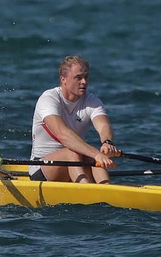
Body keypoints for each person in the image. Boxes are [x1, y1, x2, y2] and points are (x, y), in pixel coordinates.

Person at [30, 55, 121, 183]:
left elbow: (104, 126)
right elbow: (62, 134)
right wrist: (96, 154)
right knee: (75, 153)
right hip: (41, 167)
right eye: (78, 78)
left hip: (74, 163)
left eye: (86, 77)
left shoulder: (92, 101)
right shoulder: (48, 99)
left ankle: (107, 190)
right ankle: (86, 190)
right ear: (63, 80)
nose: (84, 82)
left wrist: (107, 142)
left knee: (94, 156)